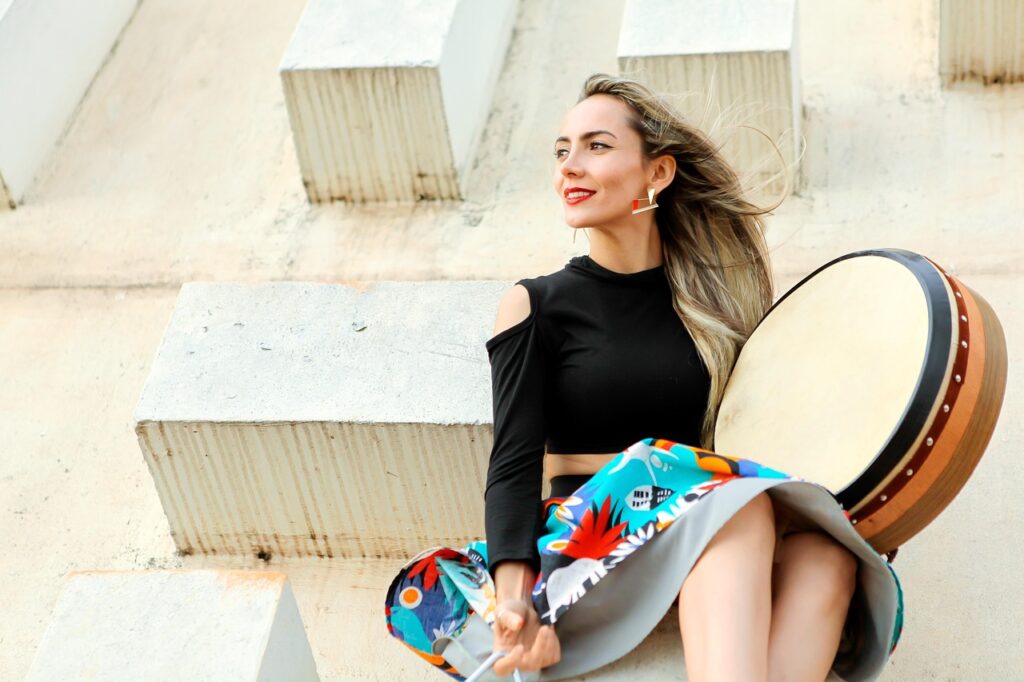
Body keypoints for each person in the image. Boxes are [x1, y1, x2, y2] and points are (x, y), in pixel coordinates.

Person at [483, 73, 887, 682]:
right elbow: (512, 461)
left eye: (596, 146)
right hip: (598, 534)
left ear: (658, 173)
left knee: (827, 557)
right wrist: (513, 596)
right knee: (733, 504)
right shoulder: (538, 304)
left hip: (709, 527)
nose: (570, 166)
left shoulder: (715, 311)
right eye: (562, 150)